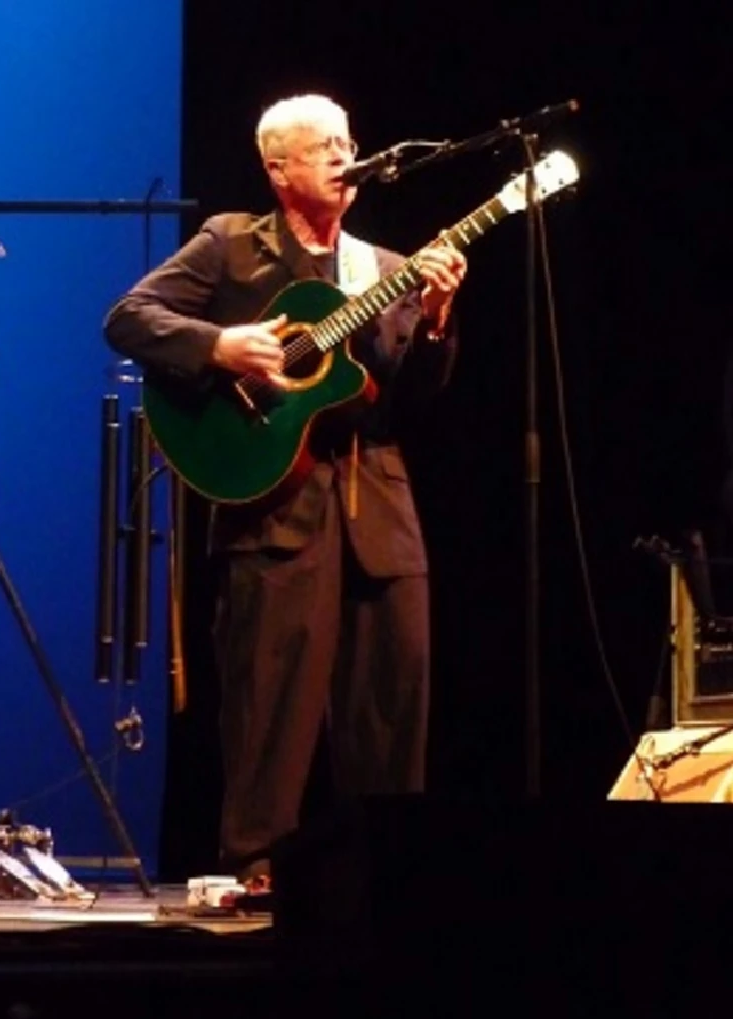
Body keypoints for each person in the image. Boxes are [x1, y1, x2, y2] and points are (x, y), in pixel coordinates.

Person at [103, 92, 467, 887]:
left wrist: (437, 318)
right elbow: (130, 318)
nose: (346, 155)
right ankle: (260, 875)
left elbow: (411, 399)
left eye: (348, 140)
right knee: (271, 709)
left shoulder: (390, 271)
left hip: (380, 508)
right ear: (279, 168)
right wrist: (221, 344)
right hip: (275, 508)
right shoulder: (232, 245)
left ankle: (385, 878)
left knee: (390, 704)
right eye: (324, 146)